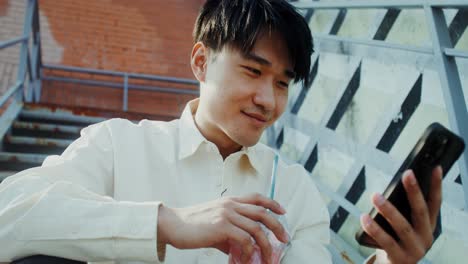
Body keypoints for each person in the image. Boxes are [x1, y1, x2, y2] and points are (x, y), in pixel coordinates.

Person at [0, 0, 442, 263]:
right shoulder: (118, 145)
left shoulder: (295, 190)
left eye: (283, 83)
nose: (269, 100)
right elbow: (9, 216)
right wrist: (163, 223)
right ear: (200, 62)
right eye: (253, 70)